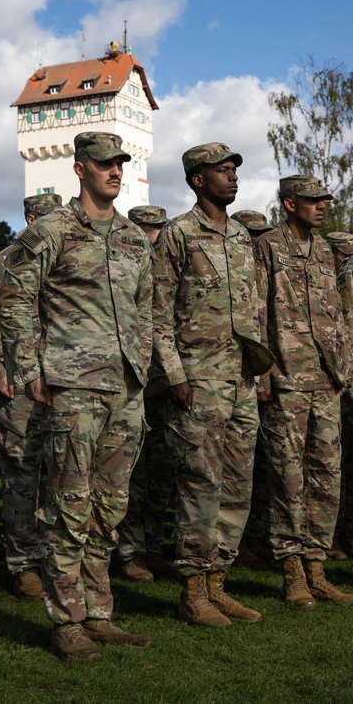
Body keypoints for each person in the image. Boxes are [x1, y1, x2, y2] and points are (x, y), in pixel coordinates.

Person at [0, 132, 153, 660]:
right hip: (72, 388)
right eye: (106, 164)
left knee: (109, 508)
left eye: (121, 164)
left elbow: (146, 309)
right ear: (80, 168)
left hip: (126, 389)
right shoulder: (51, 231)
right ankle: (66, 622)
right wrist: (28, 369)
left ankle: (98, 613)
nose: (116, 171)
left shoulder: (134, 238)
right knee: (68, 506)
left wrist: (145, 365)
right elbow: (14, 299)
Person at [152, 143, 273, 627]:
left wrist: (260, 372)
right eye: (221, 171)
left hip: (241, 380)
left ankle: (218, 583)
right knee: (199, 485)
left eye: (233, 171)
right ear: (197, 180)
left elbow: (255, 309)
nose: (232, 177)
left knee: (237, 486)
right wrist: (175, 375)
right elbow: (157, 314)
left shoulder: (243, 237)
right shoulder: (178, 234)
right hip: (198, 381)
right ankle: (192, 590)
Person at [256, 176, 353, 608]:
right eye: (313, 200)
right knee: (288, 478)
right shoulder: (268, 247)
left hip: (326, 380)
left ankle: (317, 567)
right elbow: (256, 313)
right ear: (290, 203)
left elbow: (338, 314)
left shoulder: (327, 253)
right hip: (287, 379)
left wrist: (344, 370)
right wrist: (262, 375)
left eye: (324, 200)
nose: (321, 206)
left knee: (326, 478)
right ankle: (291, 570)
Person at [0, 192, 61, 599]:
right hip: (18, 385)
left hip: (62, 381)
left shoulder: (67, 255)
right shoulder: (6, 260)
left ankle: (54, 558)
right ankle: (23, 564)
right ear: (29, 218)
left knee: (60, 476)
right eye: (44, 218)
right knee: (22, 477)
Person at [117, 205, 177, 583]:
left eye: (158, 228)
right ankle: (129, 552)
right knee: (130, 476)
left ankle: (153, 547)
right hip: (133, 384)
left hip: (167, 384)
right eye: (146, 227)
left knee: (162, 472)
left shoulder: (171, 265)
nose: (153, 235)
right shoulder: (126, 262)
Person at [230, 210, 275, 571]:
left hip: (251, 377)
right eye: (253, 234)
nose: (259, 240)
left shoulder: (253, 262)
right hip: (211, 380)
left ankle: (249, 541)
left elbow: (259, 322)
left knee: (250, 475)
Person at [325, 232, 353, 560]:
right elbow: (340, 326)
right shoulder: (349, 274)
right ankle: (335, 535)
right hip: (347, 381)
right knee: (340, 465)